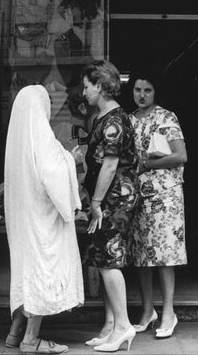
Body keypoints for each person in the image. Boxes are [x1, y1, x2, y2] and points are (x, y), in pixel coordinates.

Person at [4, 85, 84, 355]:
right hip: (42, 222)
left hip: (23, 221)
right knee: (41, 272)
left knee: (25, 272)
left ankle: (15, 332)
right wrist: (70, 159)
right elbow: (53, 174)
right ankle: (31, 339)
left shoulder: (17, 141)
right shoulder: (42, 137)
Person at [81, 60, 138, 353]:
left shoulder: (113, 120)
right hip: (112, 198)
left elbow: (111, 163)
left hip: (114, 199)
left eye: (87, 86)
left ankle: (124, 325)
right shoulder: (106, 117)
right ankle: (112, 325)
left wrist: (96, 202)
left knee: (110, 260)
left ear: (100, 86)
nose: (84, 92)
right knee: (104, 259)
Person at [128, 70, 188, 339]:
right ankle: (147, 310)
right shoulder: (129, 120)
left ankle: (168, 312)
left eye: (147, 90)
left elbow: (180, 155)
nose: (142, 95)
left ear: (156, 92)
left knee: (165, 255)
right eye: (138, 89)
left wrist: (148, 164)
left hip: (165, 196)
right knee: (142, 255)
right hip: (139, 195)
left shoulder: (166, 117)